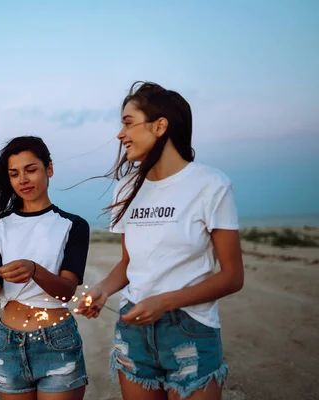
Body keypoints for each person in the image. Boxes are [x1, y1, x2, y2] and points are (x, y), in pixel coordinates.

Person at [77, 82, 244, 400]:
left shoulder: (210, 185)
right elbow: (129, 263)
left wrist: (165, 302)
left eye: (128, 122)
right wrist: (102, 290)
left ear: (160, 125)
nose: (119, 134)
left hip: (191, 329)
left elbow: (232, 277)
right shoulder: (126, 188)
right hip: (133, 330)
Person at [0, 136, 90, 399]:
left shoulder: (72, 225)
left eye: (31, 170)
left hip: (57, 339)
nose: (22, 179)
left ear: (50, 169)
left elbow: (66, 292)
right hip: (9, 341)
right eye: (14, 174)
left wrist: (35, 270)